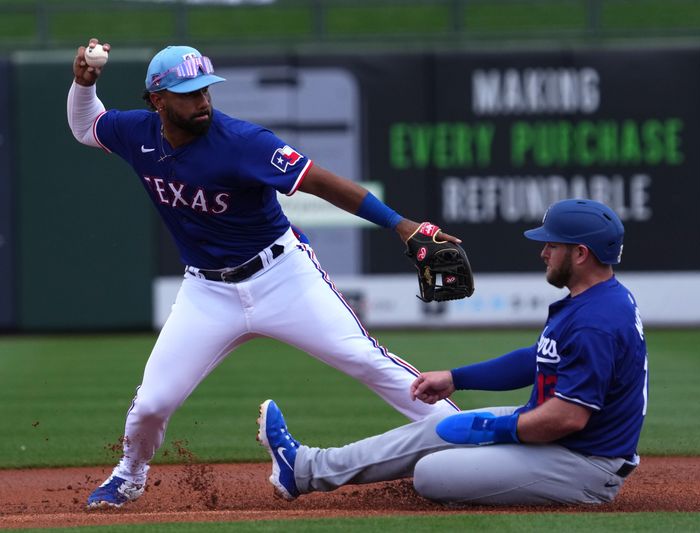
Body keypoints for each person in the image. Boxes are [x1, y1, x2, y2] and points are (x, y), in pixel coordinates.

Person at [67, 39, 460, 509]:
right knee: (152, 403)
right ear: (158, 100)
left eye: (206, 89)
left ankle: (464, 439)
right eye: (189, 93)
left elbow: (318, 180)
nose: (203, 100)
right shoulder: (137, 133)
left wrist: (399, 224)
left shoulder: (243, 142)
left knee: (367, 361)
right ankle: (129, 474)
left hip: (281, 276)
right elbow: (86, 126)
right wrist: (83, 83)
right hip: (206, 291)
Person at [258, 198, 649, 506]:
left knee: (433, 473)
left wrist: (496, 431)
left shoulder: (597, 321)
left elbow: (567, 417)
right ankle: (304, 468)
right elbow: (538, 359)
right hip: (556, 440)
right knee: (432, 429)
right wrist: (456, 379)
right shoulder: (594, 301)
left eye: (552, 244)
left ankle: (498, 471)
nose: (543, 252)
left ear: (580, 253)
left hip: (582, 463)